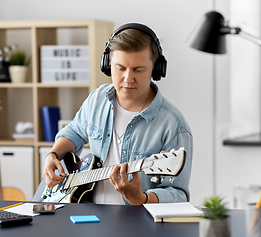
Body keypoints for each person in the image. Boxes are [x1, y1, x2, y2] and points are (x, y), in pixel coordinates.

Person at [40, 23, 193, 205]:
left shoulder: (173, 124)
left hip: (138, 226)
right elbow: (73, 132)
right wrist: (53, 155)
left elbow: (179, 195)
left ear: (156, 69)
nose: (128, 78)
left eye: (138, 69)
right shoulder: (97, 99)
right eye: (120, 68)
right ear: (107, 65)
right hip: (91, 218)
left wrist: (141, 198)